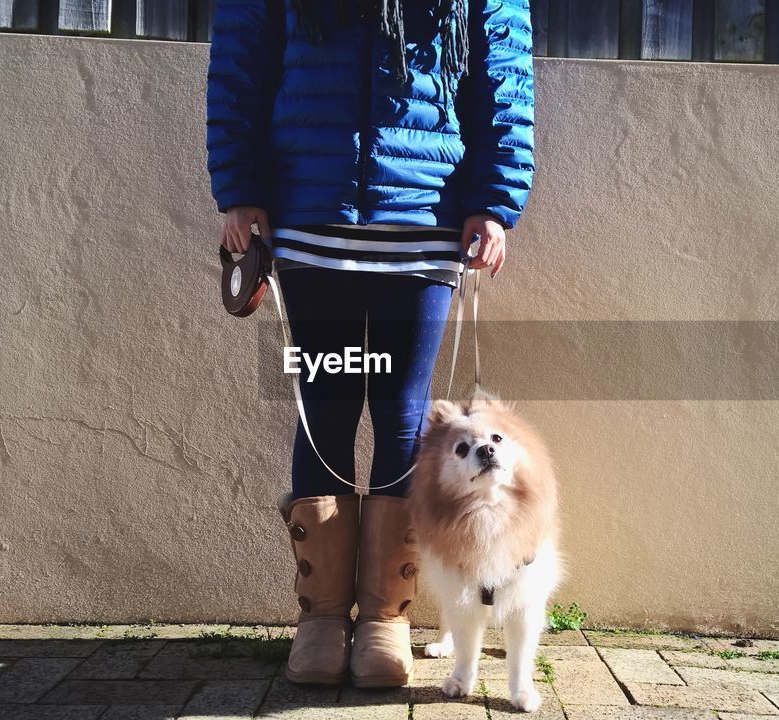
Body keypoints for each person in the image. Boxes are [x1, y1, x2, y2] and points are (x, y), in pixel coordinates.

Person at [205, 0, 535, 688]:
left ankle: (385, 618)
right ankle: (323, 618)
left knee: (404, 414)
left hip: (424, 224)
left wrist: (496, 199)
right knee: (322, 408)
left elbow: (503, 72)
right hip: (309, 220)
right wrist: (239, 187)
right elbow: (241, 61)